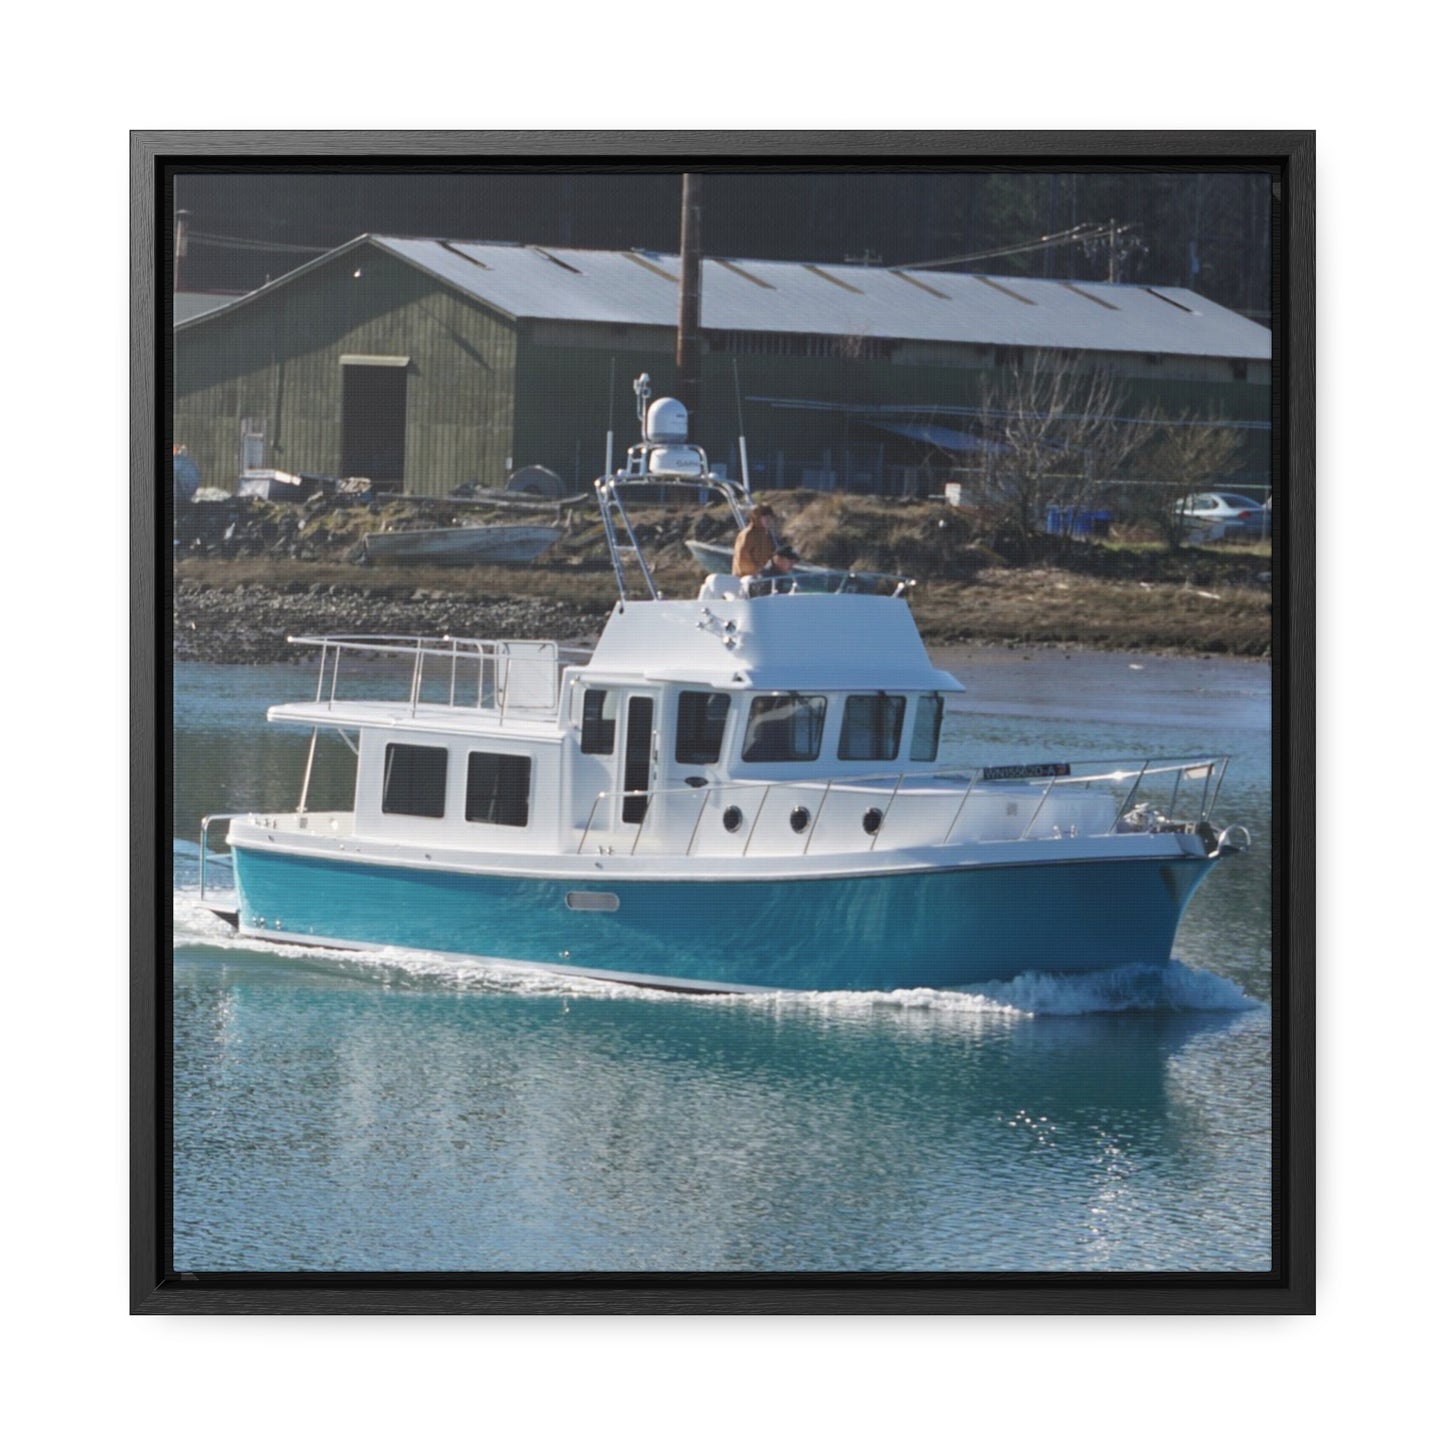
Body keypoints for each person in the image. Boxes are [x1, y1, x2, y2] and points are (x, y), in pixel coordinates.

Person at [731, 503, 778, 579]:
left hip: (761, 578)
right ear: (758, 518)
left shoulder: (766, 535)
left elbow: (770, 555)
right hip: (744, 579)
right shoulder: (748, 534)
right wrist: (757, 570)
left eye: (770, 518)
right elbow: (742, 559)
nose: (768, 520)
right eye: (765, 517)